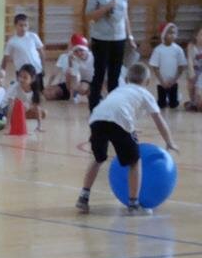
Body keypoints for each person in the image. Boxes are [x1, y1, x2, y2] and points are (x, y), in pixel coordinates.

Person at [75, 63, 178, 215]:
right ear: (147, 81)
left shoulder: (119, 90)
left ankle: (83, 198)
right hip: (119, 121)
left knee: (98, 158)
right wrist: (169, 141)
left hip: (97, 118)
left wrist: (130, 128)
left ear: (128, 79)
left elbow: (114, 109)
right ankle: (133, 204)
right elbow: (159, 120)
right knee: (135, 161)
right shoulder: (145, 93)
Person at [85, 0, 136, 111]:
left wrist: (130, 37)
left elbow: (125, 17)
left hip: (119, 39)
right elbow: (89, 16)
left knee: (115, 75)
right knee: (99, 74)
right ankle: (94, 107)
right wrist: (107, 7)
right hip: (101, 39)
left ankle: (113, 106)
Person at [1, 14, 45, 95]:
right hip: (22, 71)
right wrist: (2, 71)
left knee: (38, 92)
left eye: (25, 25)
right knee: (23, 93)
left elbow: (41, 51)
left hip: (36, 69)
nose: (23, 28)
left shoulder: (33, 36)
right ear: (15, 26)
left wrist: (43, 66)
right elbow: (6, 57)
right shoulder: (12, 41)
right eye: (21, 25)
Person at [43, 34, 94, 102]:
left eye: (81, 50)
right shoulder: (70, 58)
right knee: (48, 94)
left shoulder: (93, 57)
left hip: (89, 82)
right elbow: (55, 74)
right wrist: (48, 86)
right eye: (76, 51)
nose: (79, 53)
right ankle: (74, 95)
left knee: (83, 87)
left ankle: (92, 93)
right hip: (71, 83)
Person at [149, 22, 187, 109]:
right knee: (161, 105)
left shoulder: (178, 50)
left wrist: (174, 80)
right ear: (163, 35)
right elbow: (155, 67)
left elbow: (181, 67)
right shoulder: (158, 50)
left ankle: (176, 98)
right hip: (161, 82)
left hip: (173, 82)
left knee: (173, 105)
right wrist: (162, 81)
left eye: (174, 33)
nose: (172, 35)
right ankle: (164, 99)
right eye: (170, 33)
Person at [6, 64, 45, 132]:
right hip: (6, 109)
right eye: (20, 76)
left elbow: (37, 107)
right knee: (23, 105)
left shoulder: (34, 90)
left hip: (23, 109)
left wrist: (39, 126)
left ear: (32, 79)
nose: (21, 79)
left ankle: (21, 117)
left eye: (25, 77)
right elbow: (10, 106)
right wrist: (8, 124)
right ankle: (15, 119)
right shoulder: (15, 87)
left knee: (43, 112)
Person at [184, 25, 202, 111]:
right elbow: (190, 60)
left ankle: (198, 100)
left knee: (198, 91)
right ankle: (192, 101)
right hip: (194, 69)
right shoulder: (191, 46)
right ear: (196, 36)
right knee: (191, 86)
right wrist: (191, 71)